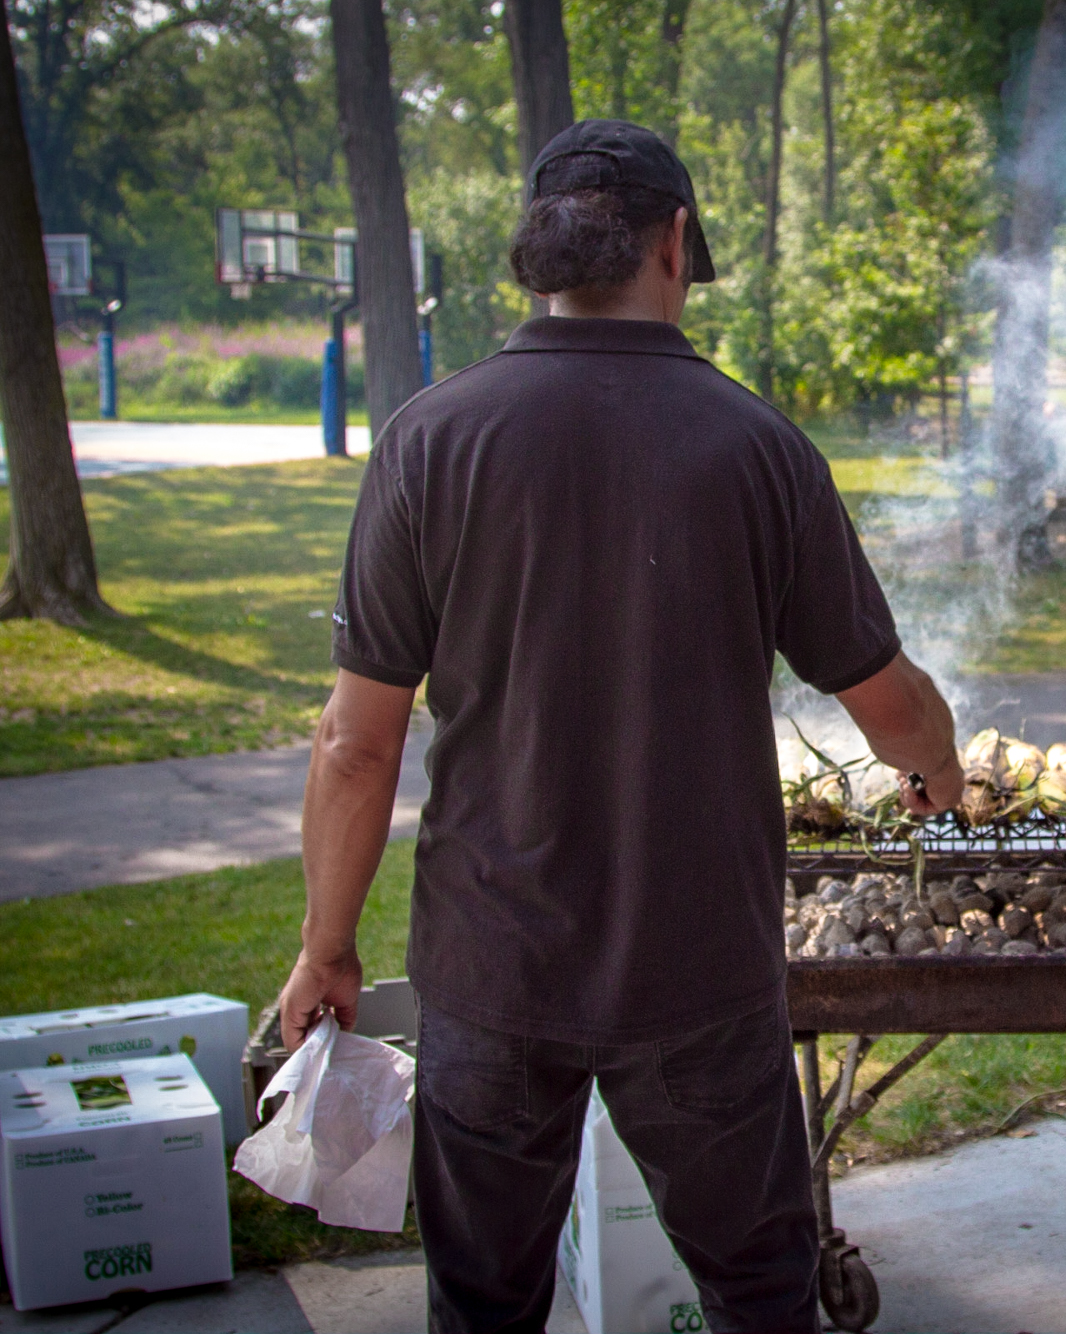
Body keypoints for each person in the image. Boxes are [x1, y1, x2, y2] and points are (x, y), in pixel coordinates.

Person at [275, 118, 964, 1334]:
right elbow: (887, 703)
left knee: (481, 1303)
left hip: (493, 965)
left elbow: (354, 742)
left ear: (543, 256)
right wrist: (940, 774)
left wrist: (328, 944)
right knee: (758, 1294)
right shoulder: (759, 447)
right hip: (699, 966)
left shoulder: (429, 441)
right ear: (674, 242)